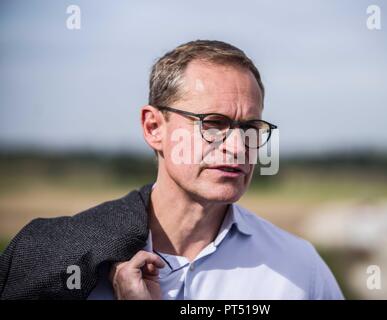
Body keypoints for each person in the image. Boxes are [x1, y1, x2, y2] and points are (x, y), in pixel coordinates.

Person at [0, 40, 343, 300]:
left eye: (251, 127)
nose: (238, 146)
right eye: (213, 123)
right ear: (153, 127)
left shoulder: (300, 270)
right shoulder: (57, 261)